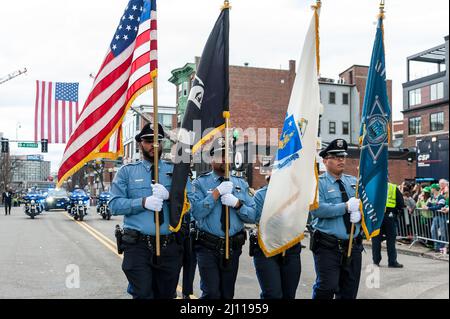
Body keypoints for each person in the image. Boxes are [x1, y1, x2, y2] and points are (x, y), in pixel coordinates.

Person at [109, 122, 185, 299]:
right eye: (148, 140)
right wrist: (142, 202)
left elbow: (192, 204)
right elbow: (114, 205)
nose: (153, 145)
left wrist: (171, 196)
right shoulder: (126, 172)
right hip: (138, 247)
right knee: (143, 294)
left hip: (169, 245)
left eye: (158, 140)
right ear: (140, 144)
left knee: (166, 295)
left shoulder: (176, 171)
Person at [189, 137, 256, 299]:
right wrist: (216, 193)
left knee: (227, 294)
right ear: (212, 159)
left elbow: (253, 216)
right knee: (211, 293)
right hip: (207, 246)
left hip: (232, 246)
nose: (226, 160)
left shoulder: (240, 183)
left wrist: (237, 204)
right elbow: (196, 213)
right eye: (221, 155)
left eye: (229, 155)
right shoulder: (200, 183)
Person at [309, 139, 363, 299]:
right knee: (327, 287)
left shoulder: (354, 182)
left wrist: (361, 216)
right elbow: (317, 209)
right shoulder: (318, 183)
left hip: (352, 246)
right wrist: (345, 207)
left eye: (343, 156)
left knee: (349, 291)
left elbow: (366, 207)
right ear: (325, 161)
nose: (341, 160)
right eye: (336, 156)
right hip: (328, 245)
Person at [251, 172, 302, 299]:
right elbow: (256, 217)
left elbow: (307, 217)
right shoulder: (261, 195)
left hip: (291, 248)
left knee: (289, 294)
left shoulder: (296, 196)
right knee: (272, 295)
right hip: (267, 248)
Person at [371, 181, 404, 268]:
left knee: (376, 239)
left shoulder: (373, 187)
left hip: (376, 216)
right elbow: (401, 203)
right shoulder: (393, 187)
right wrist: (396, 211)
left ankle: (376, 261)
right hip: (389, 216)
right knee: (391, 239)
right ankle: (392, 262)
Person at [427, 184, 447, 252]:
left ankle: (442, 246)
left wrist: (430, 208)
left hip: (442, 216)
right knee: (433, 230)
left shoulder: (441, 197)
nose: (430, 190)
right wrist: (429, 206)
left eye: (431, 188)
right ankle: (436, 245)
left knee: (443, 232)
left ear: (434, 189)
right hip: (435, 216)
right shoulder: (432, 197)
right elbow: (428, 205)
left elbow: (439, 207)